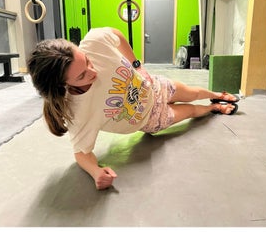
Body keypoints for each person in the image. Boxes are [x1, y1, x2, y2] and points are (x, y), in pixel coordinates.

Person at [27, 27, 239, 190]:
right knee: (191, 111)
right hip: (150, 119)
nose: (93, 71)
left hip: (154, 86)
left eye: (88, 62)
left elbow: (116, 35)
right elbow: (82, 153)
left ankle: (217, 95)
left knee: (193, 93)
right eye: (82, 75)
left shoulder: (94, 43)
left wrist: (137, 65)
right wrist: (95, 172)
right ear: (63, 85)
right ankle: (216, 109)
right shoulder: (77, 112)